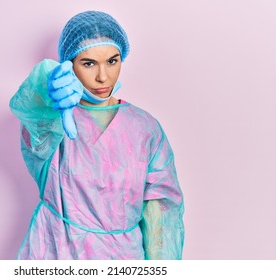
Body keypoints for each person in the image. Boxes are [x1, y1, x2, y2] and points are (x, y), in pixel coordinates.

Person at [9, 10, 184, 260]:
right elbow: (31, 110)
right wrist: (45, 91)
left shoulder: (145, 129)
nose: (103, 76)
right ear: (68, 65)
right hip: (55, 252)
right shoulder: (51, 121)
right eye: (88, 63)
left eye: (112, 61)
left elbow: (162, 214)